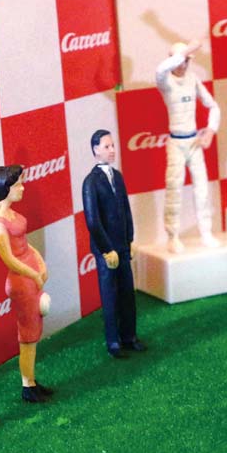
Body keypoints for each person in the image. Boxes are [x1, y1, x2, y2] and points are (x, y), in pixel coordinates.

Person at [0, 165, 52, 403]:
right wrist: (34, 274)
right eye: (17, 185)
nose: (22, 188)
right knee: (28, 336)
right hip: (21, 282)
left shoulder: (11, 214)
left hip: (31, 275)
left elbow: (25, 244)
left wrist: (40, 264)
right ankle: (27, 385)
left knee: (33, 333)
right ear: (4, 189)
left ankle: (31, 380)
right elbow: (10, 260)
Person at [81, 129, 144, 359]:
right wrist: (106, 250)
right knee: (110, 297)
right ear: (95, 149)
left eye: (113, 146)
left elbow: (126, 210)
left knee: (127, 293)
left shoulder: (117, 176)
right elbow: (93, 221)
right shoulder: (90, 182)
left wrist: (130, 239)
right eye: (107, 146)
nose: (112, 150)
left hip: (123, 247)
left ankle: (129, 336)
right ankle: (113, 341)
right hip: (106, 251)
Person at [155, 40, 220, 253]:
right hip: (176, 142)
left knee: (202, 189)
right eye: (181, 61)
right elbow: (161, 69)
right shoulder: (165, 81)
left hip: (194, 142)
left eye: (187, 61)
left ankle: (206, 232)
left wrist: (210, 131)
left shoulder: (193, 79)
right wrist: (185, 52)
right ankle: (172, 236)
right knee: (174, 189)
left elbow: (213, 106)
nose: (183, 65)